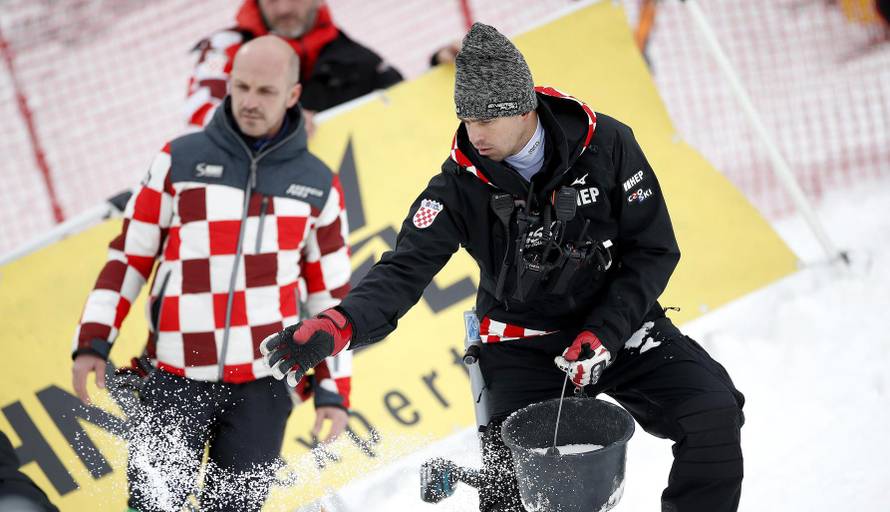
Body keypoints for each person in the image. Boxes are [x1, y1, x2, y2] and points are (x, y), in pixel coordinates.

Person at [260, 22, 746, 512]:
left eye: (487, 120)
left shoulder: (608, 144)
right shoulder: (456, 185)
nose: (475, 134)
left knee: (713, 411)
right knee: (511, 497)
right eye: (466, 120)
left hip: (619, 325)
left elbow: (654, 249)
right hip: (520, 345)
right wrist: (340, 323)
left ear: (525, 108)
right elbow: (402, 270)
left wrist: (606, 331)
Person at [71, 35, 352, 512]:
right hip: (173, 380)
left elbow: (328, 299)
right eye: (240, 86)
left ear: (292, 95)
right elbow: (129, 257)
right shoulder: (177, 160)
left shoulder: (317, 183)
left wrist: (332, 389)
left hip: (265, 388)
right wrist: (93, 340)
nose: (249, 101)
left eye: (265, 91)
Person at [186, 0, 403, 136]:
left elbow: (408, 105)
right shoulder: (225, 48)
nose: (283, 8)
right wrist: (272, 122)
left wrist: (437, 64)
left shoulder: (355, 56)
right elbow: (200, 113)